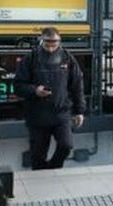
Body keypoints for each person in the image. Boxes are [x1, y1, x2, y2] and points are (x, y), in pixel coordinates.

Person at [14, 27, 86, 170]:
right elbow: (18, 85)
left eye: (55, 45)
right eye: (48, 45)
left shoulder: (68, 58)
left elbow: (77, 85)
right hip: (37, 114)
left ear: (60, 42)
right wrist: (35, 90)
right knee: (38, 154)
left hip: (61, 112)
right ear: (41, 41)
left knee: (66, 145)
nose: (51, 49)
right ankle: (42, 179)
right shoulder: (31, 58)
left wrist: (79, 111)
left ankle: (53, 168)